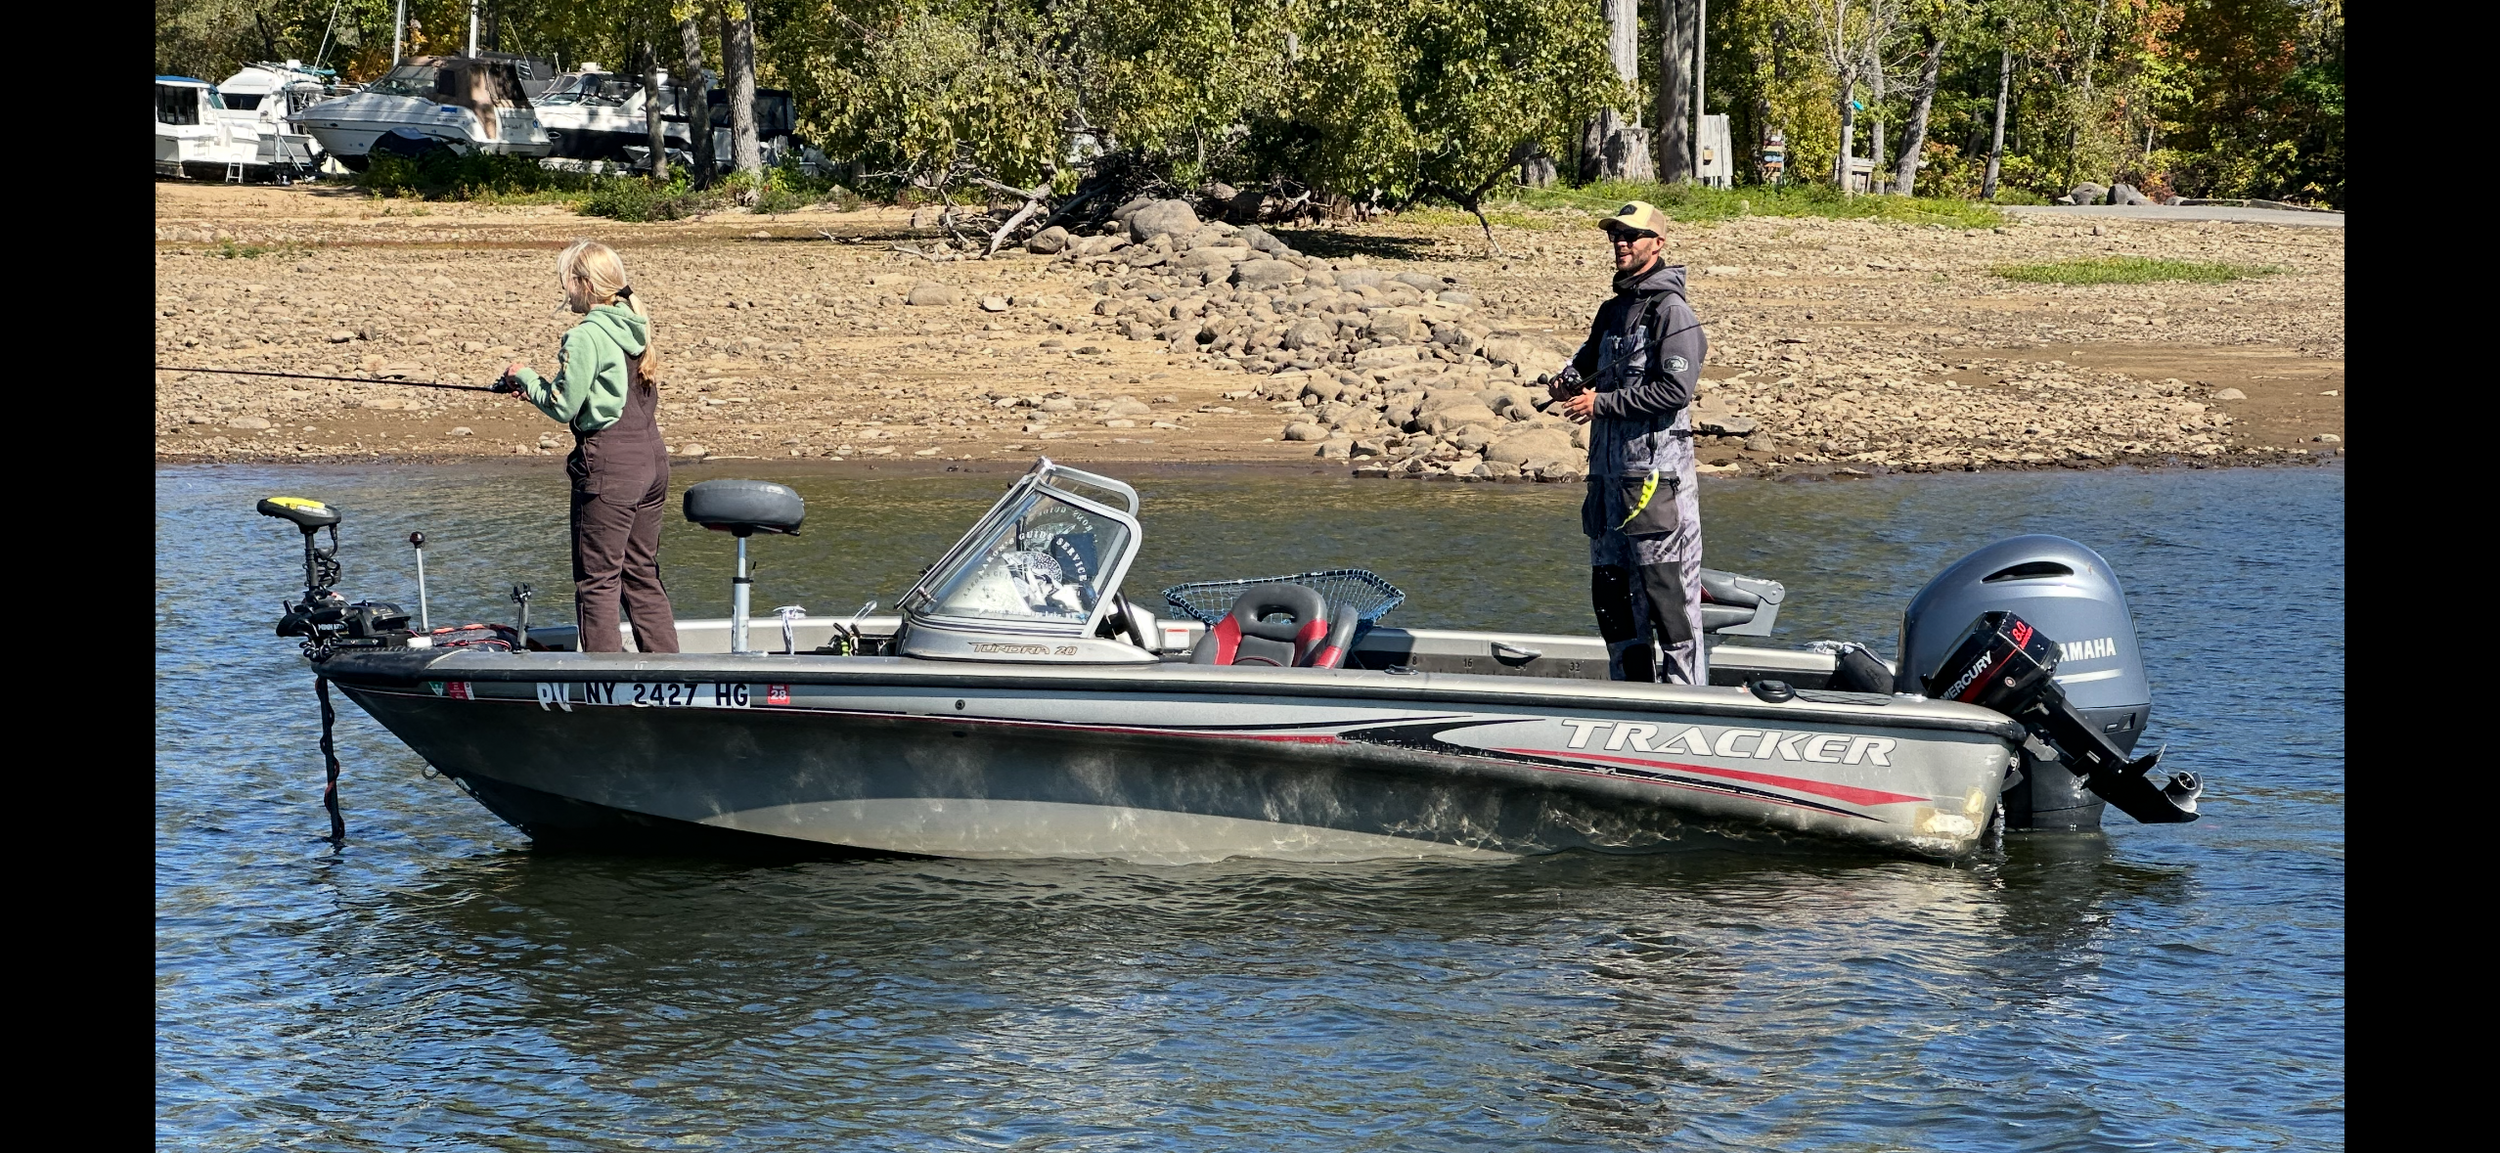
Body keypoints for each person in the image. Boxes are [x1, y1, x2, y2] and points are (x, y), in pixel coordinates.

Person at [1544, 201, 1708, 685]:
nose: (1621, 242)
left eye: (1632, 235)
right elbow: (1585, 363)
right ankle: (1630, 699)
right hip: (1607, 489)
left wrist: (1602, 405)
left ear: (1657, 244)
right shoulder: (1612, 310)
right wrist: (1568, 382)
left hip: (1656, 487)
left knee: (1669, 605)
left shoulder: (1673, 311)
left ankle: (1689, 705)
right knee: (1613, 602)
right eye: (1616, 234)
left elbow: (1675, 391)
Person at [499, 239, 682, 654]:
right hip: (652, 459)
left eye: (566, 282)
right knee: (641, 572)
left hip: (610, 465)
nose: (565, 292)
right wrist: (542, 387)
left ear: (583, 283)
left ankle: (605, 687)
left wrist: (524, 377)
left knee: (597, 580)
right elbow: (594, 391)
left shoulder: (585, 336)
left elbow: (564, 406)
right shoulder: (635, 323)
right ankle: (671, 672)